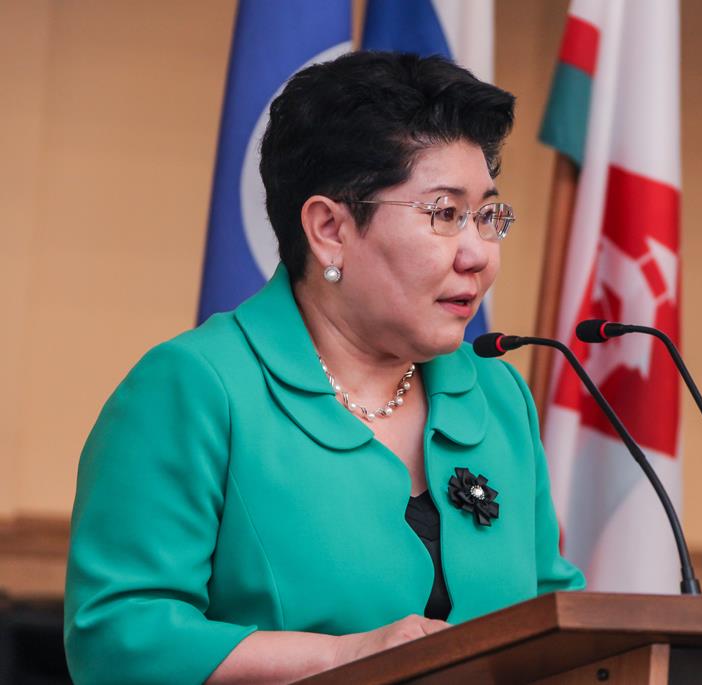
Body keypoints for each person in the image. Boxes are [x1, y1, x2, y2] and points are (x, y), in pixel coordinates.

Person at [63, 51, 584, 685]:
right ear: (330, 228)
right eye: (446, 214)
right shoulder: (196, 386)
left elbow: (558, 621)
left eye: (488, 217)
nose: (479, 254)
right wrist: (342, 659)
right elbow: (118, 639)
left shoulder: (498, 395)